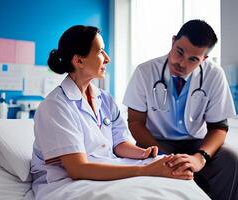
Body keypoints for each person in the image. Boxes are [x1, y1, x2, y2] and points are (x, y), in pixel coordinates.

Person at [30, 25, 202, 200]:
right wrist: (145, 170)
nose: (107, 58)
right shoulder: (55, 106)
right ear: (79, 61)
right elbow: (77, 169)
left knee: (172, 172)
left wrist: (144, 154)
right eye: (100, 52)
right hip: (66, 182)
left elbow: (119, 144)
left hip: (104, 168)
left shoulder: (103, 98)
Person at [123, 19, 238, 200]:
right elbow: (135, 122)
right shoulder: (145, 72)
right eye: (179, 52)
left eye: (193, 59)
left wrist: (199, 158)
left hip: (197, 143)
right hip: (154, 142)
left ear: (204, 59)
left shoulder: (215, 75)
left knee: (231, 161)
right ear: (173, 42)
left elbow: (219, 127)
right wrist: (164, 155)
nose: (182, 63)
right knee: (143, 165)